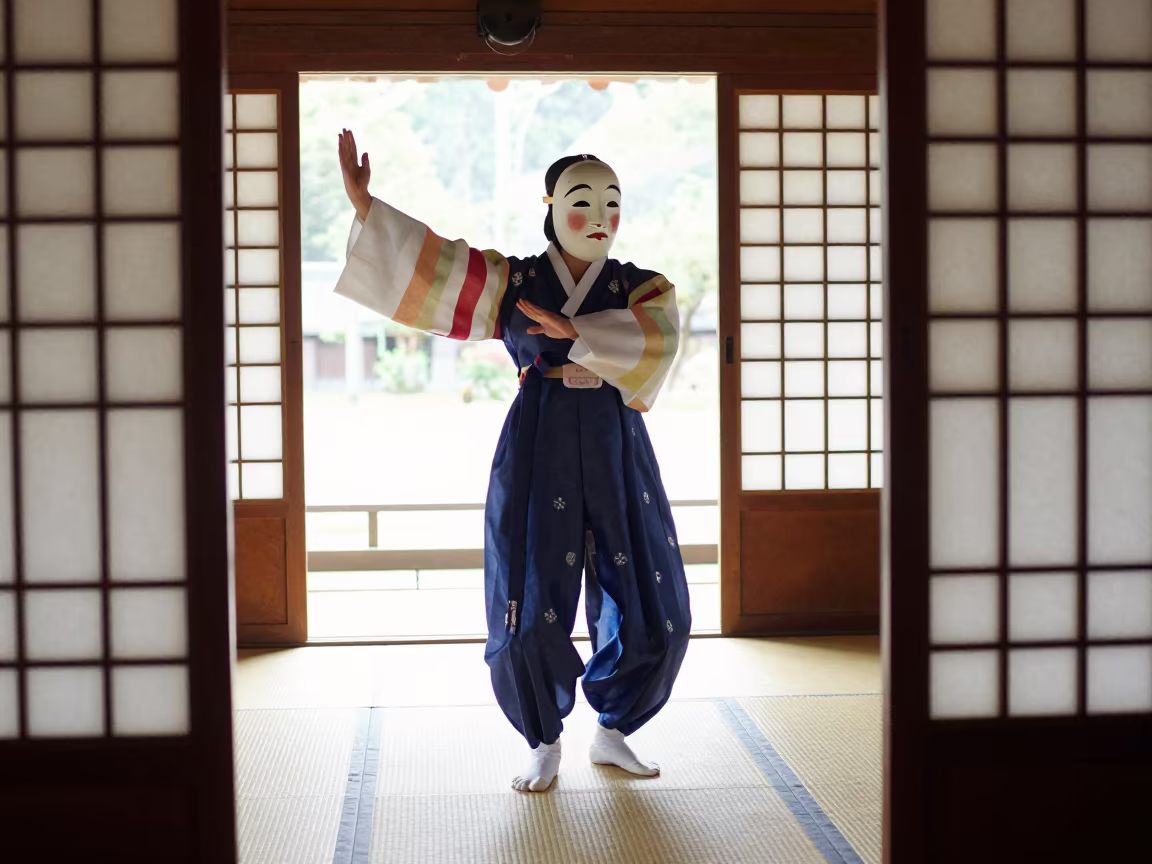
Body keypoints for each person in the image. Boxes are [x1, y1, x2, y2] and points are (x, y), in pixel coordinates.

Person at [335, 129, 691, 793]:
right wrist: (367, 210)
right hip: (540, 439)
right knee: (528, 596)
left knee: (653, 601)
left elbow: (659, 339)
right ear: (551, 207)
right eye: (583, 202)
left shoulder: (641, 286)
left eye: (613, 204)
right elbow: (441, 267)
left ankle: (614, 730)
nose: (601, 217)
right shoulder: (515, 281)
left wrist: (579, 332)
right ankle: (544, 740)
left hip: (616, 442)